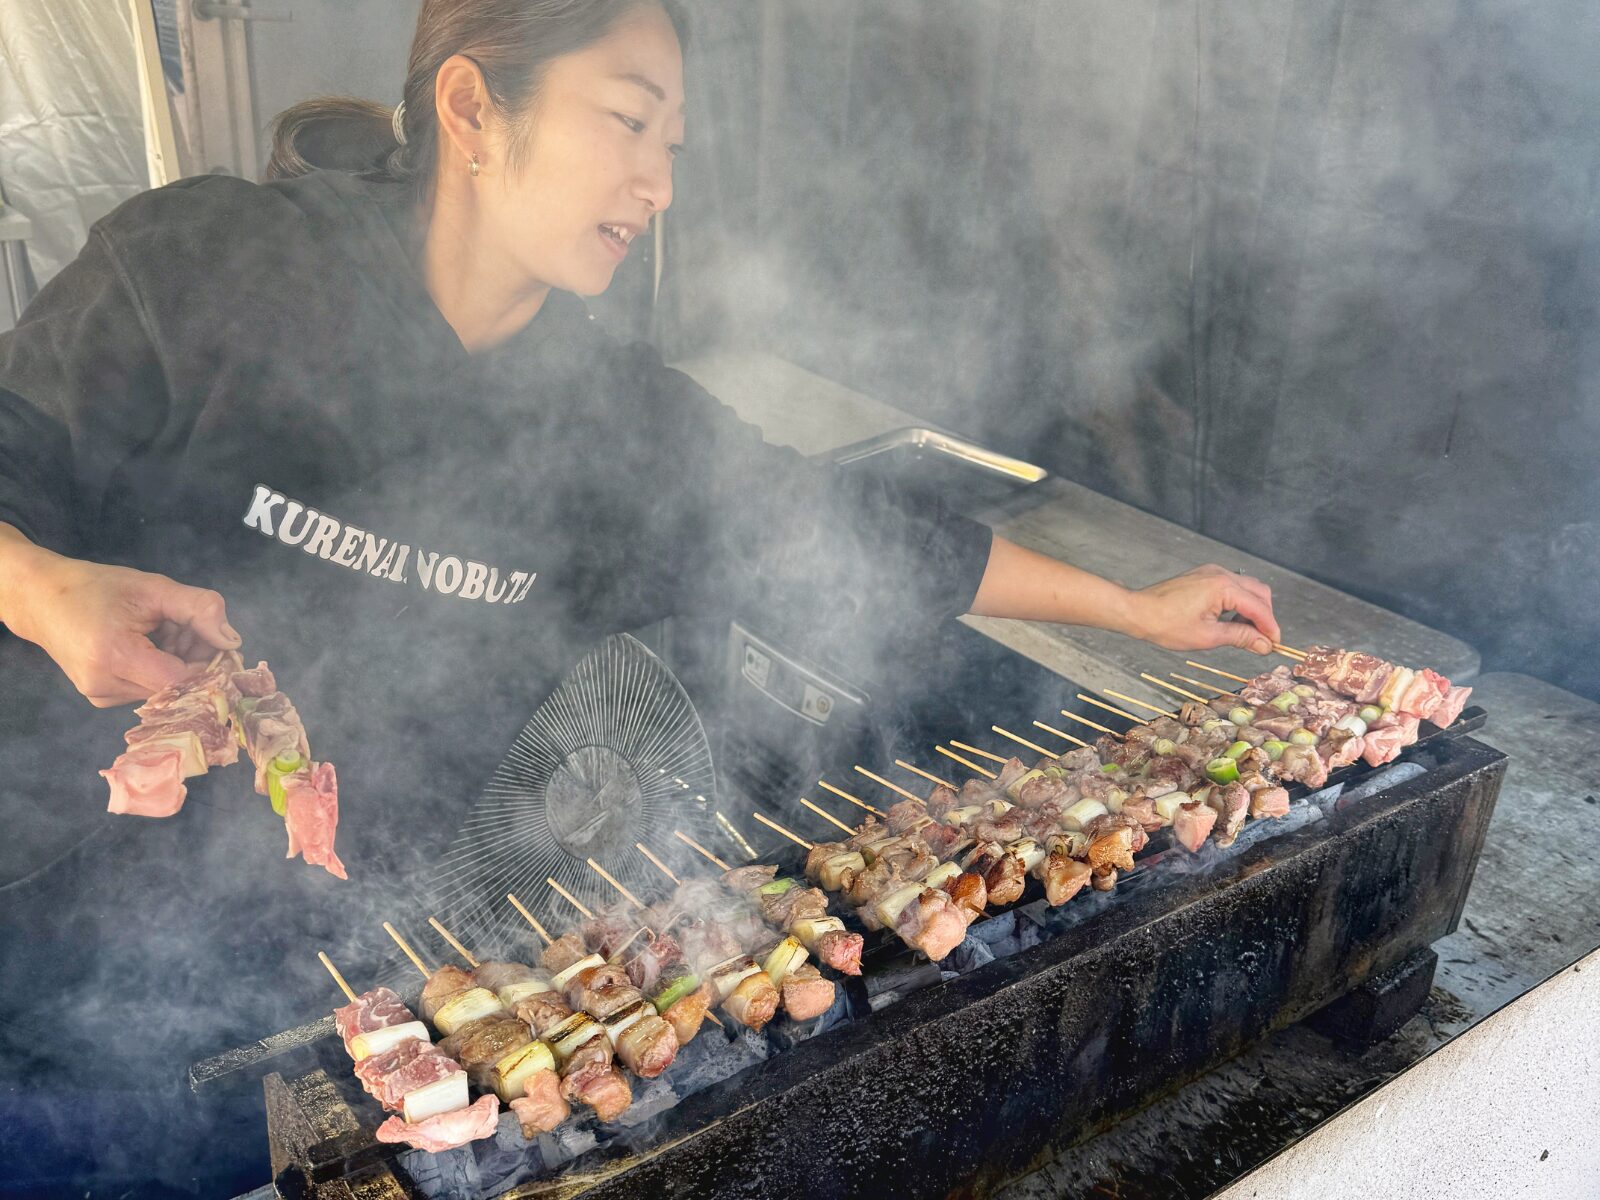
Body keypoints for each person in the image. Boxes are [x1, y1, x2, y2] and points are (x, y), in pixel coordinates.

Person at [0, 1, 1279, 1192]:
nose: (659, 185)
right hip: (46, 954)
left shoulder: (606, 414)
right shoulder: (206, 266)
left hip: (354, 991)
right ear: (471, 108)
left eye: (672, 144)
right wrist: (47, 588)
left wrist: (1132, 609)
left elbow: (842, 533)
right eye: (626, 120)